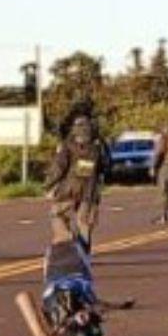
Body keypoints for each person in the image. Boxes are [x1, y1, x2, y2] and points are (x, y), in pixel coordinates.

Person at [44, 102, 110, 249]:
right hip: (90, 191)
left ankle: (65, 239)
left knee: (56, 213)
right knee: (84, 222)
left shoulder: (68, 145)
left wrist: (48, 184)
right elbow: (105, 166)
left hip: (69, 190)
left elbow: (58, 168)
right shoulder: (98, 147)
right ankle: (84, 251)